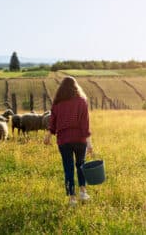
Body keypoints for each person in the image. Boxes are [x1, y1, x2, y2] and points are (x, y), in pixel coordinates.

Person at [44, 76, 93, 206]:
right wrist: (89, 143)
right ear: (76, 87)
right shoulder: (82, 102)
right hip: (79, 139)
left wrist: (48, 136)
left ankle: (72, 198)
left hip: (64, 140)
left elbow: (52, 123)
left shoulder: (57, 103)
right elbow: (85, 124)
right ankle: (83, 192)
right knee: (81, 164)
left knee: (68, 168)